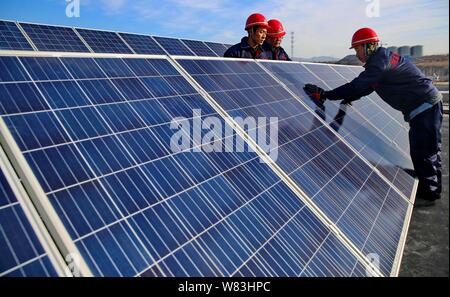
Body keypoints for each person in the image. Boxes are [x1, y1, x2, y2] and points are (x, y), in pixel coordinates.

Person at [303, 28, 443, 207]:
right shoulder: (381, 60)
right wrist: (349, 97)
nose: (357, 53)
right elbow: (366, 87)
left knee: (424, 150)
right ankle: (431, 187)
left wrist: (326, 95)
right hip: (424, 106)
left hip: (424, 106)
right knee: (426, 148)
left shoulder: (379, 63)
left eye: (357, 49)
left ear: (368, 46)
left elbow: (357, 85)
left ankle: (429, 194)